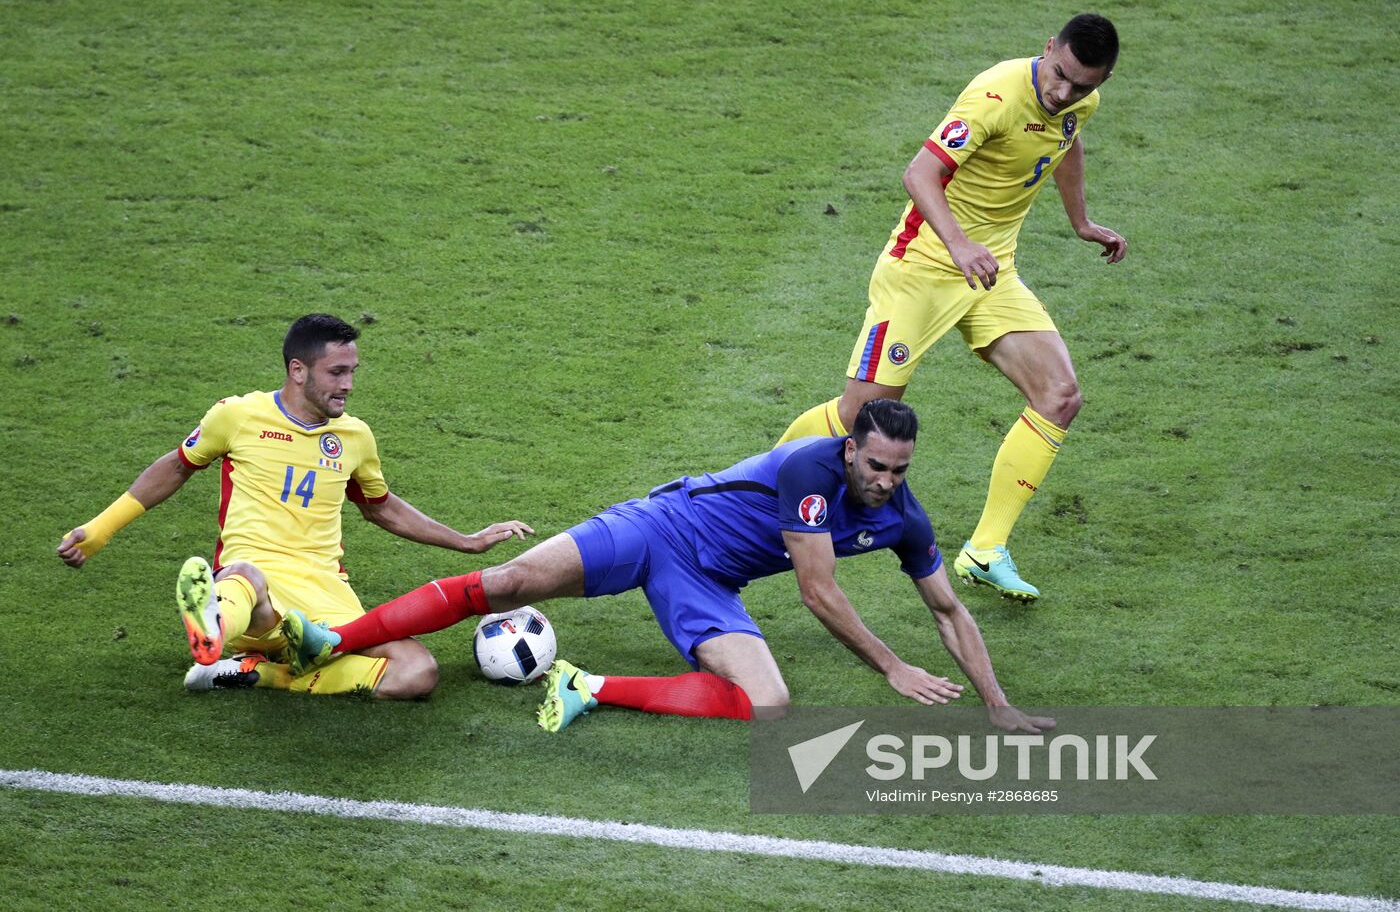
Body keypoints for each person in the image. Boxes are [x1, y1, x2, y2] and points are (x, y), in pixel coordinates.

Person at [280, 400, 1052, 734]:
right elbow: (818, 591)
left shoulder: (902, 515)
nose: (886, 481)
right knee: (508, 583)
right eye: (878, 465)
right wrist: (890, 666)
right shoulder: (811, 473)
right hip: (658, 527)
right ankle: (334, 640)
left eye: (900, 470)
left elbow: (949, 609)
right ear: (853, 448)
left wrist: (996, 703)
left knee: (770, 703)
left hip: (706, 582)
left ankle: (587, 687)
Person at [776, 14, 1127, 601]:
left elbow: (1066, 141)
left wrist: (1081, 222)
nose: (1063, 93)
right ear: (1047, 48)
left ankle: (986, 550)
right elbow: (921, 174)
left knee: (1060, 395)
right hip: (922, 269)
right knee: (860, 415)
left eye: (1083, 86)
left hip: (991, 273)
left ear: (1103, 79)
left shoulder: (1078, 102)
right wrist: (960, 245)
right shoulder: (994, 97)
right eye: (1060, 75)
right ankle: (764, 482)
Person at [57, 313, 533, 699]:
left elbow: (380, 507)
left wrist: (467, 542)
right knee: (245, 576)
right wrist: (99, 530)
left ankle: (260, 674)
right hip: (253, 588)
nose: (347, 385)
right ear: (298, 370)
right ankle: (216, 628)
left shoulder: (355, 436)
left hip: (327, 595)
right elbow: (177, 466)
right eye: (336, 372)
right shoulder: (238, 416)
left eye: (352, 372)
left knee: (417, 672)